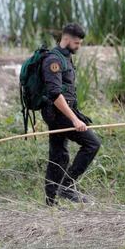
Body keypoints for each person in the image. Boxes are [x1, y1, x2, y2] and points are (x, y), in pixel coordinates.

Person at [41, 23, 101, 206]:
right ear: (66, 39)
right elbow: (55, 95)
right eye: (76, 43)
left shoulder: (65, 57)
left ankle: (50, 202)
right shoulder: (53, 60)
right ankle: (66, 186)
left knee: (58, 155)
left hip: (62, 112)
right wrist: (74, 119)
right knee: (92, 144)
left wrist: (76, 114)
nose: (78, 46)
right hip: (58, 114)